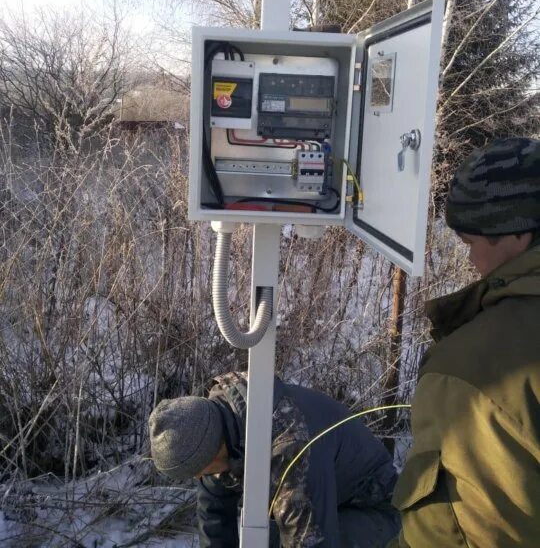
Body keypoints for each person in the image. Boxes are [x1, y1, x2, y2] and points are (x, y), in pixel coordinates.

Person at [388, 137, 540, 547]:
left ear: (518, 235)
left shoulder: (466, 370)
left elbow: (446, 532)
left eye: (471, 243)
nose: (470, 261)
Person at [149, 371, 401, 547]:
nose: (197, 477)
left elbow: (311, 540)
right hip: (326, 500)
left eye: (199, 470)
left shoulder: (291, 448)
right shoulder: (219, 424)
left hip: (377, 511)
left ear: (215, 450)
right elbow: (213, 516)